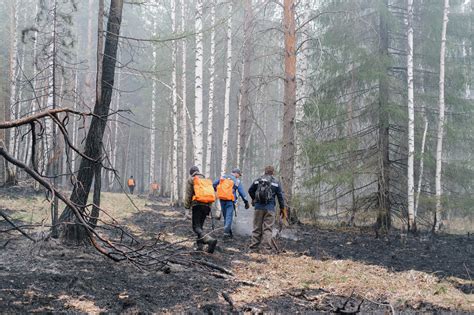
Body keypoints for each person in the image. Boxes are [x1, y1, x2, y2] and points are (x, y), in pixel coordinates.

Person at [248, 165, 286, 252]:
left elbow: (250, 190)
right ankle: (266, 249)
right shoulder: (276, 182)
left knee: (256, 228)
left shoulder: (258, 180)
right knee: (268, 229)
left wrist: (254, 199)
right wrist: (282, 209)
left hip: (258, 208)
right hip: (270, 209)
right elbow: (280, 197)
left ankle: (253, 248)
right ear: (273, 172)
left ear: (264, 171)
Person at [184, 166, 218, 253]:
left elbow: (188, 194)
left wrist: (187, 208)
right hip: (207, 206)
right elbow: (211, 194)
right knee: (200, 227)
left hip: (197, 205)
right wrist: (209, 208)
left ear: (191, 173)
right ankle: (200, 247)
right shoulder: (206, 180)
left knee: (196, 227)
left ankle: (209, 240)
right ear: (198, 171)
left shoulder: (191, 179)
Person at [213, 168, 250, 240]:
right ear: (236, 173)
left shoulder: (223, 177)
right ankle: (226, 233)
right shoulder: (237, 181)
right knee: (229, 216)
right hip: (230, 200)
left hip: (222, 199)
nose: (238, 176)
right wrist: (246, 202)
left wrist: (216, 190)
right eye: (239, 175)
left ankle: (229, 232)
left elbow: (214, 184)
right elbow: (242, 192)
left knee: (225, 216)